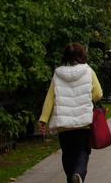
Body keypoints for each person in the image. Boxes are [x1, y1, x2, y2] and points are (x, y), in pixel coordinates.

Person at [38, 43, 103, 183]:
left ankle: (70, 179)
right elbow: (98, 94)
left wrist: (43, 118)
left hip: (63, 124)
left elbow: (50, 98)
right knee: (82, 151)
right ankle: (78, 173)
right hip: (82, 122)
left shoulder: (57, 73)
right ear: (82, 55)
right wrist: (85, 99)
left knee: (67, 154)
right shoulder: (88, 71)